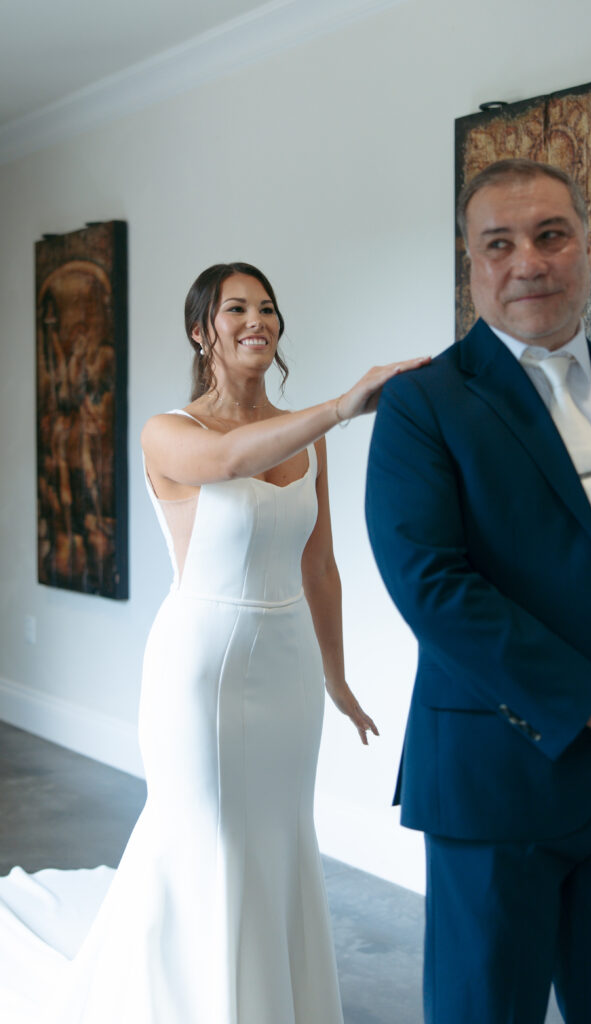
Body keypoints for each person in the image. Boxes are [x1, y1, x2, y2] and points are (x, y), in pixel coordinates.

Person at [0, 261, 428, 1024]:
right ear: (202, 330)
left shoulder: (309, 443)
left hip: (289, 667)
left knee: (279, 840)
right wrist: (340, 404)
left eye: (266, 306)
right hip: (199, 670)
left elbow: (320, 566)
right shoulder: (171, 431)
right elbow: (233, 461)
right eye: (236, 309)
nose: (256, 319)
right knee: (200, 837)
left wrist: (336, 676)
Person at [365, 159, 591, 1024]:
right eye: (497, 244)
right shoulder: (421, 405)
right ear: (470, 264)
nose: (527, 262)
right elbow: (431, 585)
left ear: (586, 243)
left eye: (550, 235)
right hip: (497, 779)